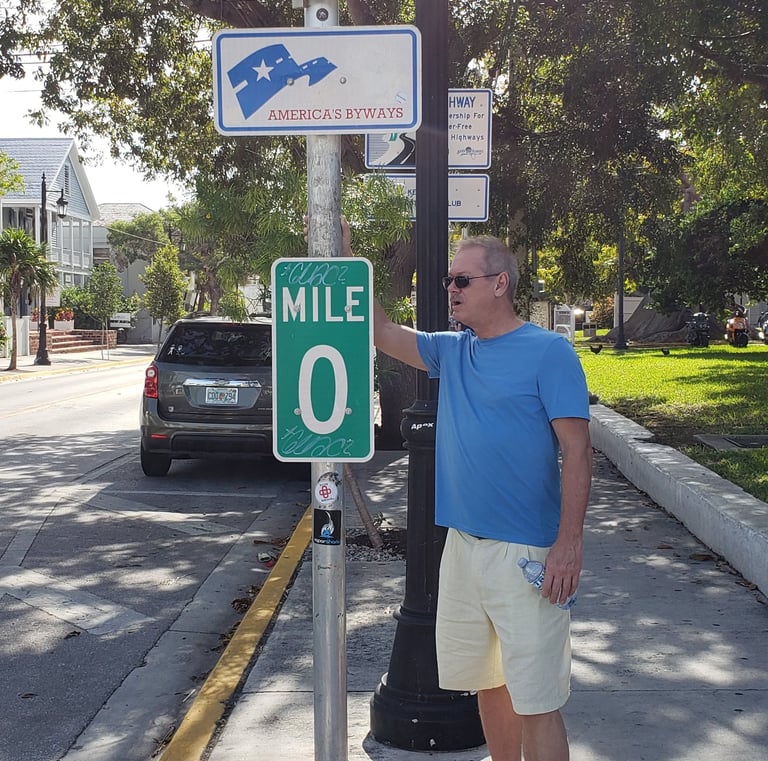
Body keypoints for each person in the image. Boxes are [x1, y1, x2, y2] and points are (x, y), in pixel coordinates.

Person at [349, 224, 592, 761]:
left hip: (527, 554)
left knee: (538, 701)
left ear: (499, 283)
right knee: (489, 684)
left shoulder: (549, 353)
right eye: (447, 280)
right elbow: (382, 331)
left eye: (462, 279)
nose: (450, 289)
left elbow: (578, 451)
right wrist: (347, 257)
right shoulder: (452, 352)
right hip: (462, 547)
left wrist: (568, 544)